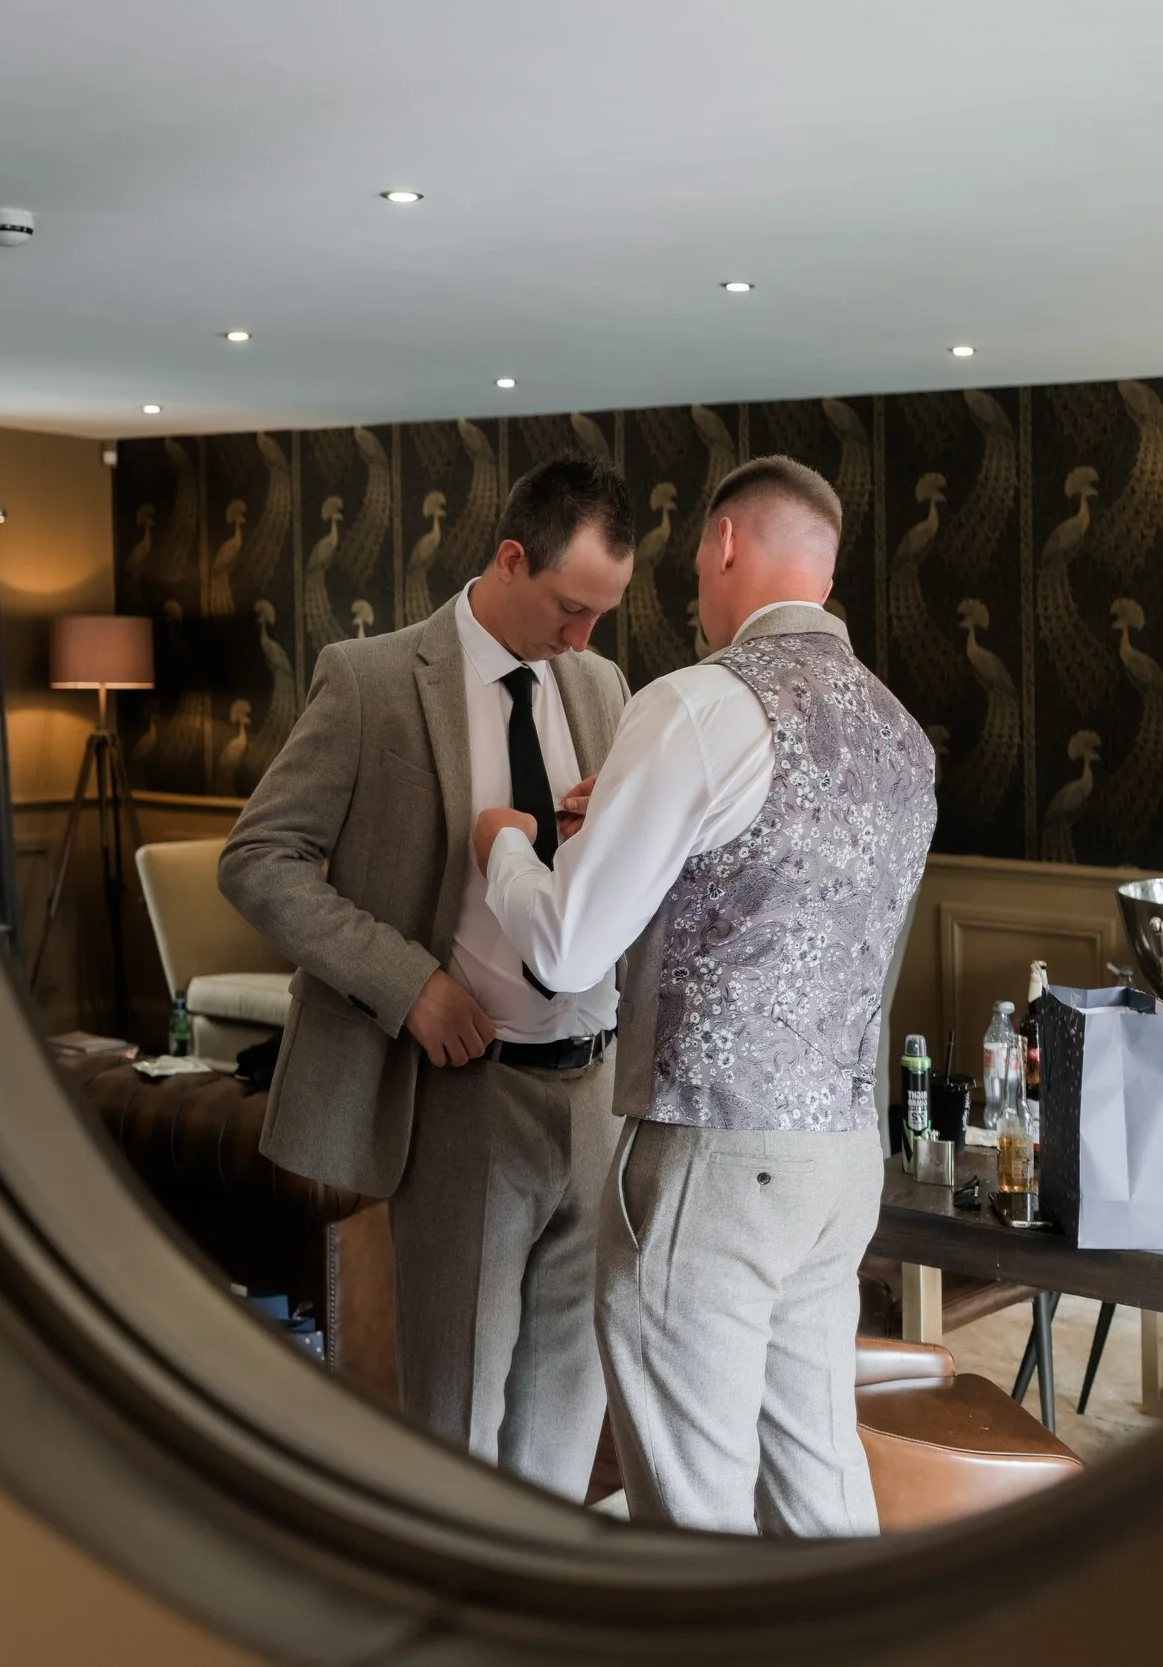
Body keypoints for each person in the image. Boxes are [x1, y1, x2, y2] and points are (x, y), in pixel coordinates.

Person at [471, 455, 935, 1536]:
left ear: (725, 543)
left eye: (693, 559)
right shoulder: (901, 735)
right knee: (817, 1488)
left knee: (694, 1509)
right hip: (838, 1162)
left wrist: (505, 850)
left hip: (714, 1157)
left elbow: (570, 947)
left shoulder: (695, 703)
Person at [219, 454, 636, 1499]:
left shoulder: (600, 684)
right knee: (453, 1424)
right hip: (463, 1096)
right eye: (571, 607)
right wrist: (407, 983)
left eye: (603, 614)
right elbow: (257, 859)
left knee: (565, 1412)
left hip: (597, 1097)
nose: (584, 638)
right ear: (509, 557)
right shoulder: (368, 680)